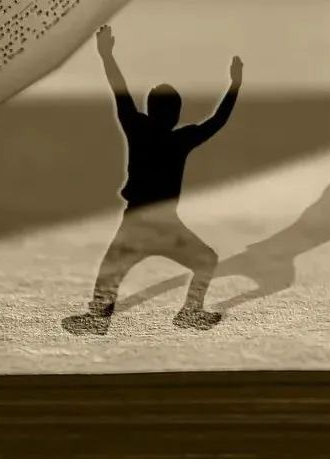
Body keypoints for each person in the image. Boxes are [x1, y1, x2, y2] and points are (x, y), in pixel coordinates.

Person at [63, 25, 243, 335]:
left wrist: (107, 55)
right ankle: (190, 312)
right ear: (176, 114)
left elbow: (120, 92)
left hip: (138, 221)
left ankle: (97, 320)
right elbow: (217, 121)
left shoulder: (138, 128)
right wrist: (234, 85)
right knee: (205, 260)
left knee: (111, 271)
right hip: (165, 225)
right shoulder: (180, 139)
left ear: (150, 109)